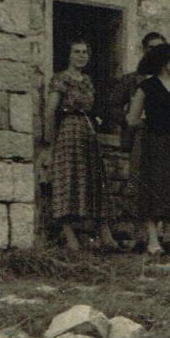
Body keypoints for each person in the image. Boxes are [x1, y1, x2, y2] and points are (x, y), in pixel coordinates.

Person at [44, 39, 120, 252]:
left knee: (95, 179)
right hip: (69, 131)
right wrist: (50, 142)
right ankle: (70, 236)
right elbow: (50, 111)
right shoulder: (61, 78)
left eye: (85, 52)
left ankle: (104, 234)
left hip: (88, 131)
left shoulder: (87, 80)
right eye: (76, 52)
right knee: (69, 180)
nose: (81, 56)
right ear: (69, 55)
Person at [126, 43, 170, 256]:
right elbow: (131, 119)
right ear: (163, 60)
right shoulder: (146, 86)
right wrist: (151, 123)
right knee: (153, 190)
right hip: (155, 144)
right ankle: (153, 240)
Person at [107, 31, 166, 249]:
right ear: (143, 50)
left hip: (164, 140)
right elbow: (112, 105)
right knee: (139, 185)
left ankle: (163, 237)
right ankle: (141, 236)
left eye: (160, 49)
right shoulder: (131, 80)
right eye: (151, 49)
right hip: (139, 139)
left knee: (163, 186)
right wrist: (129, 119)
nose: (155, 53)